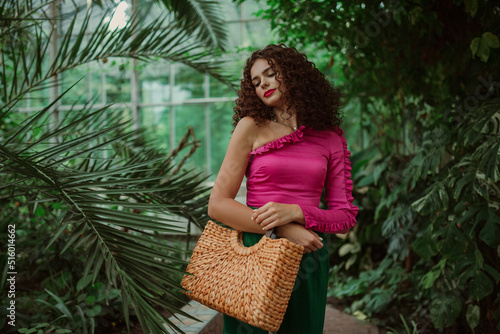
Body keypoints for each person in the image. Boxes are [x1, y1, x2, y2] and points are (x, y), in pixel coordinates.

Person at [207, 44, 359, 334]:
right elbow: (217, 204)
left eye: (270, 74)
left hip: (307, 259)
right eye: (255, 81)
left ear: (293, 74)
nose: (262, 83)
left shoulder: (330, 138)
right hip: (255, 252)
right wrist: (282, 228)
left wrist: (296, 212)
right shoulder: (250, 127)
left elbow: (344, 217)